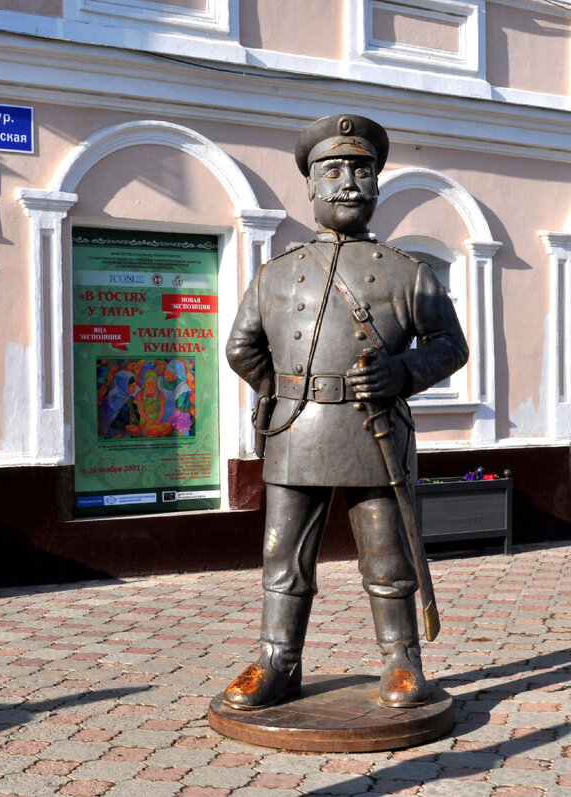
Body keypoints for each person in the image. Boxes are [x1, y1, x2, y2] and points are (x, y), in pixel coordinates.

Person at [224, 114, 468, 710]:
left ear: (378, 184)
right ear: (310, 185)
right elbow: (241, 348)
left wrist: (402, 373)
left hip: (374, 430)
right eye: (332, 169)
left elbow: (450, 346)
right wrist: (293, 391)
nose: (349, 182)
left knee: (387, 557)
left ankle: (401, 662)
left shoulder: (410, 273)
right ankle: (277, 659)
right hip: (295, 433)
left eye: (362, 169)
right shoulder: (276, 274)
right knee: (283, 557)